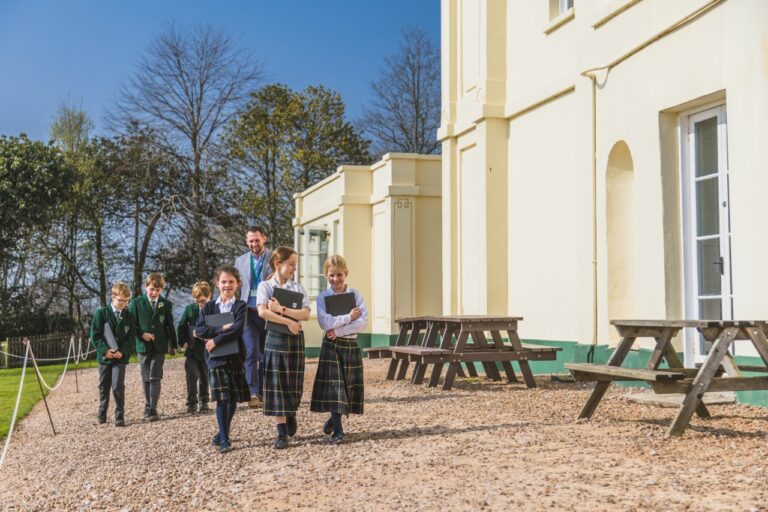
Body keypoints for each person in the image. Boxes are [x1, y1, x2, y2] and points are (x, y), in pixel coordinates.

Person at [256, 246, 310, 449]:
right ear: (278, 264)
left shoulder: (297, 288)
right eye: (291, 264)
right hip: (276, 337)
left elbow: (305, 314)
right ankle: (281, 433)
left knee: (294, 383)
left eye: (295, 264)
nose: (294, 268)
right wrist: (288, 321)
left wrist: (282, 309)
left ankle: (291, 412)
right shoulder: (265, 286)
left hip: (295, 339)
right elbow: (263, 312)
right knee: (277, 384)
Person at [310, 255, 368, 444]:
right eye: (331, 275)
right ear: (326, 275)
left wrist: (339, 329)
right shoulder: (323, 297)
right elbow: (324, 322)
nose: (335, 279)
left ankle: (333, 420)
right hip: (331, 346)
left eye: (339, 275)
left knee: (348, 388)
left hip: (350, 344)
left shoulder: (356, 295)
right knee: (335, 388)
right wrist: (348, 317)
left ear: (346, 274)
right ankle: (338, 431)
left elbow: (362, 323)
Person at [194, 265, 250, 453]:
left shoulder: (240, 306)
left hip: (235, 356)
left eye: (231, 282)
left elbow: (238, 328)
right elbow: (200, 329)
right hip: (215, 358)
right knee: (221, 398)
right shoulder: (209, 306)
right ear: (217, 284)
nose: (227, 285)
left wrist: (216, 339)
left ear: (237, 284)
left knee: (232, 398)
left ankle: (221, 432)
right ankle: (225, 439)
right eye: (223, 282)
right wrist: (221, 328)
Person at [129, 272, 177, 421]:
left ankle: (152, 410)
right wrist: (141, 334)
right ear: (146, 287)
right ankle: (148, 404)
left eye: (158, 290)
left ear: (161, 289)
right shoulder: (136, 303)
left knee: (155, 376)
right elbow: (131, 324)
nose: (154, 292)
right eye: (152, 289)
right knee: (145, 377)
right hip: (143, 346)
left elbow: (169, 326)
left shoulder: (166, 304)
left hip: (159, 346)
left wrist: (173, 344)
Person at [233, 226, 272, 408]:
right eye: (250, 240)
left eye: (257, 240)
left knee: (266, 354)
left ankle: (264, 391)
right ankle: (253, 392)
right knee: (251, 352)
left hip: (268, 312)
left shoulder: (274, 257)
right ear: (246, 241)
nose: (254, 244)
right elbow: (236, 286)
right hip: (248, 313)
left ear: (264, 238)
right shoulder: (240, 261)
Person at [90, 282, 135, 427]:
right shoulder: (101, 313)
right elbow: (95, 336)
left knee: (117, 385)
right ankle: (102, 412)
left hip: (120, 357)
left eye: (126, 300)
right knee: (104, 386)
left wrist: (122, 352)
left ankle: (119, 415)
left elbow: (130, 338)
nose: (123, 303)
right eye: (120, 300)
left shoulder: (129, 315)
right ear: (113, 297)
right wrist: (105, 350)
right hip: (105, 358)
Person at [177, 281, 212, 414]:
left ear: (209, 296)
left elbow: (217, 327)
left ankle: (204, 401)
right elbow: (181, 326)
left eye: (203, 301)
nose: (201, 303)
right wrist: (182, 341)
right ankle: (191, 402)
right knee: (191, 375)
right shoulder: (190, 309)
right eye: (198, 301)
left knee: (205, 376)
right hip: (191, 349)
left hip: (207, 348)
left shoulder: (213, 308)